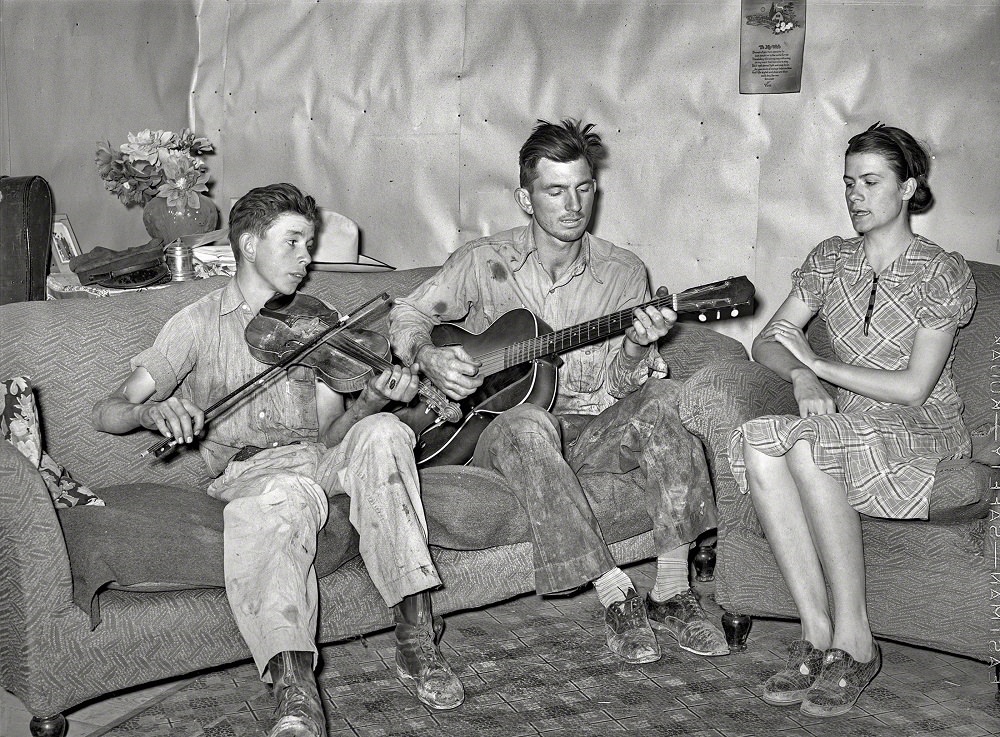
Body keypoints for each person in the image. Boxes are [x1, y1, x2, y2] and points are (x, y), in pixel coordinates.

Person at [92, 183, 464, 737]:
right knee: (280, 496)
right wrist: (150, 414)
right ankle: (295, 689)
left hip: (319, 456)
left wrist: (370, 401)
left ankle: (416, 638)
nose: (306, 258)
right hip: (248, 472)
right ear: (247, 244)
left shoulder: (318, 323)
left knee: (385, 430)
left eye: (309, 244)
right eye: (292, 243)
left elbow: (334, 432)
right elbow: (109, 410)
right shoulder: (198, 323)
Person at [389, 119, 727, 666]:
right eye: (555, 190)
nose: (574, 205)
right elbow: (407, 314)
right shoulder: (482, 261)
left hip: (591, 425)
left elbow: (622, 388)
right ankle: (614, 591)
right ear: (525, 198)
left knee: (666, 399)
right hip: (504, 431)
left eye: (584, 188)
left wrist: (637, 351)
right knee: (526, 424)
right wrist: (428, 355)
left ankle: (672, 590)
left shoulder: (623, 272)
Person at [729, 124, 976, 717]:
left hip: (920, 431)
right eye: (848, 183)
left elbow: (915, 387)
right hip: (847, 423)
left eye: (871, 182)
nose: (855, 195)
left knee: (813, 445)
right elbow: (770, 340)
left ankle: (856, 640)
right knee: (761, 440)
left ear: (909, 188)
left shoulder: (940, 273)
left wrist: (818, 361)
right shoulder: (830, 261)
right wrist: (801, 377)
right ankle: (817, 635)